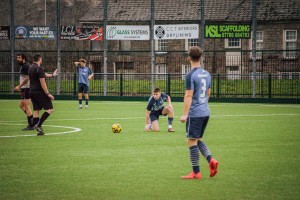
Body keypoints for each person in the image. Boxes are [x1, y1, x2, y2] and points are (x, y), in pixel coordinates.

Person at [180, 46, 218, 179]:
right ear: (201, 57)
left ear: (189, 57)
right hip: (205, 112)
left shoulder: (191, 75)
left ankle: (196, 172)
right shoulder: (207, 74)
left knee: (191, 141)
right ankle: (211, 160)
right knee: (197, 139)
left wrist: (185, 114)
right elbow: (208, 93)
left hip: (195, 113)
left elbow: (188, 96)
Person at [28, 53, 55, 136]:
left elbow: (42, 75)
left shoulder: (31, 68)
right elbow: (43, 83)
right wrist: (48, 94)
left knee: (36, 110)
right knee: (50, 109)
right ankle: (38, 125)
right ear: (40, 59)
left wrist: (52, 75)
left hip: (31, 91)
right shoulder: (39, 68)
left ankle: (39, 131)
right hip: (39, 92)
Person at [14, 54, 34, 130]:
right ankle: (33, 120)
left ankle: (32, 125)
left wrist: (19, 86)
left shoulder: (26, 66)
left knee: (27, 106)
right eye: (17, 57)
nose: (17, 59)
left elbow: (27, 78)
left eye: (19, 58)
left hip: (26, 88)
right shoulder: (24, 66)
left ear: (24, 58)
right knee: (21, 105)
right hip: (24, 88)